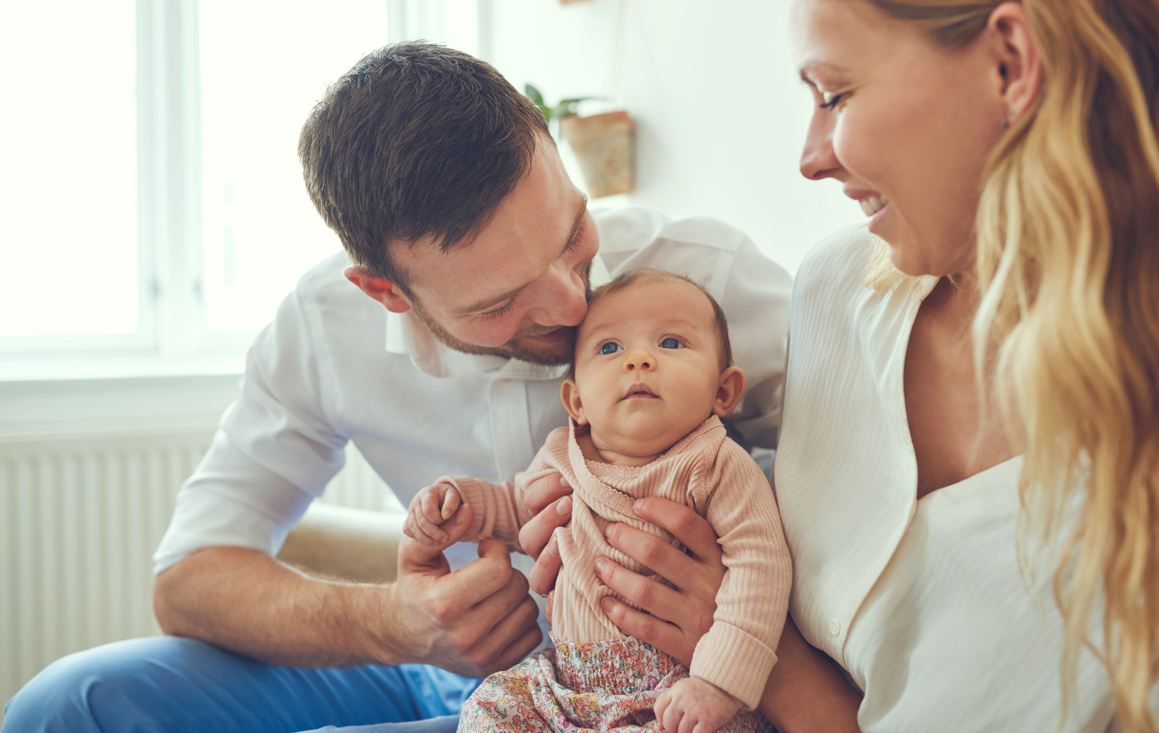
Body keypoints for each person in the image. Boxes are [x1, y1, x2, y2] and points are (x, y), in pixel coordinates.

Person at [0, 44, 792, 733]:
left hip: (659, 685)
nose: (573, 304)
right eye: (497, 301)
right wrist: (398, 622)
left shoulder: (707, 283)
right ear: (385, 292)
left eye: (573, 235)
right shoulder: (321, 328)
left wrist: (735, 617)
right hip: (435, 672)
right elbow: (189, 580)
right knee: (69, 705)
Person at [539, 0, 1159, 731]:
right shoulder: (839, 288)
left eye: (835, 94)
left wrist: (769, 661)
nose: (810, 158)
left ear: (1009, 65)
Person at [405, 269, 791, 733]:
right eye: (610, 348)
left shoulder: (713, 465)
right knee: (487, 710)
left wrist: (719, 683)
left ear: (722, 391)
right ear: (576, 401)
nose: (640, 359)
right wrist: (458, 505)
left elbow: (761, 565)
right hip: (568, 689)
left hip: (679, 689)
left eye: (671, 343)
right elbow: (515, 507)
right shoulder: (560, 456)